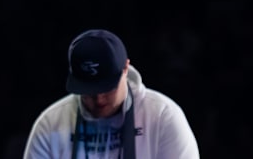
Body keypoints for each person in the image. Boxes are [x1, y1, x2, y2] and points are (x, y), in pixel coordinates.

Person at [23, 29, 200, 159]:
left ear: (125, 68)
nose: (99, 98)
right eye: (89, 91)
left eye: (108, 88)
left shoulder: (163, 117)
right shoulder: (50, 124)